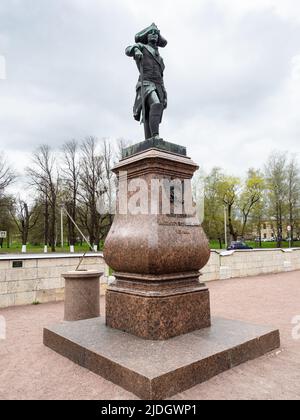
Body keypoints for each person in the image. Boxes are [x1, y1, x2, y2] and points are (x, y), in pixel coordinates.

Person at [126, 23, 168, 140]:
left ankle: (149, 139)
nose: (154, 35)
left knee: (151, 112)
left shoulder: (160, 59)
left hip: (158, 86)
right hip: (146, 84)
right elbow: (128, 49)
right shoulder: (142, 47)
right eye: (151, 33)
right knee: (155, 104)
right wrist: (136, 50)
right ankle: (155, 136)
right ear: (147, 36)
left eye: (156, 34)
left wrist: (164, 94)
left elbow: (161, 77)